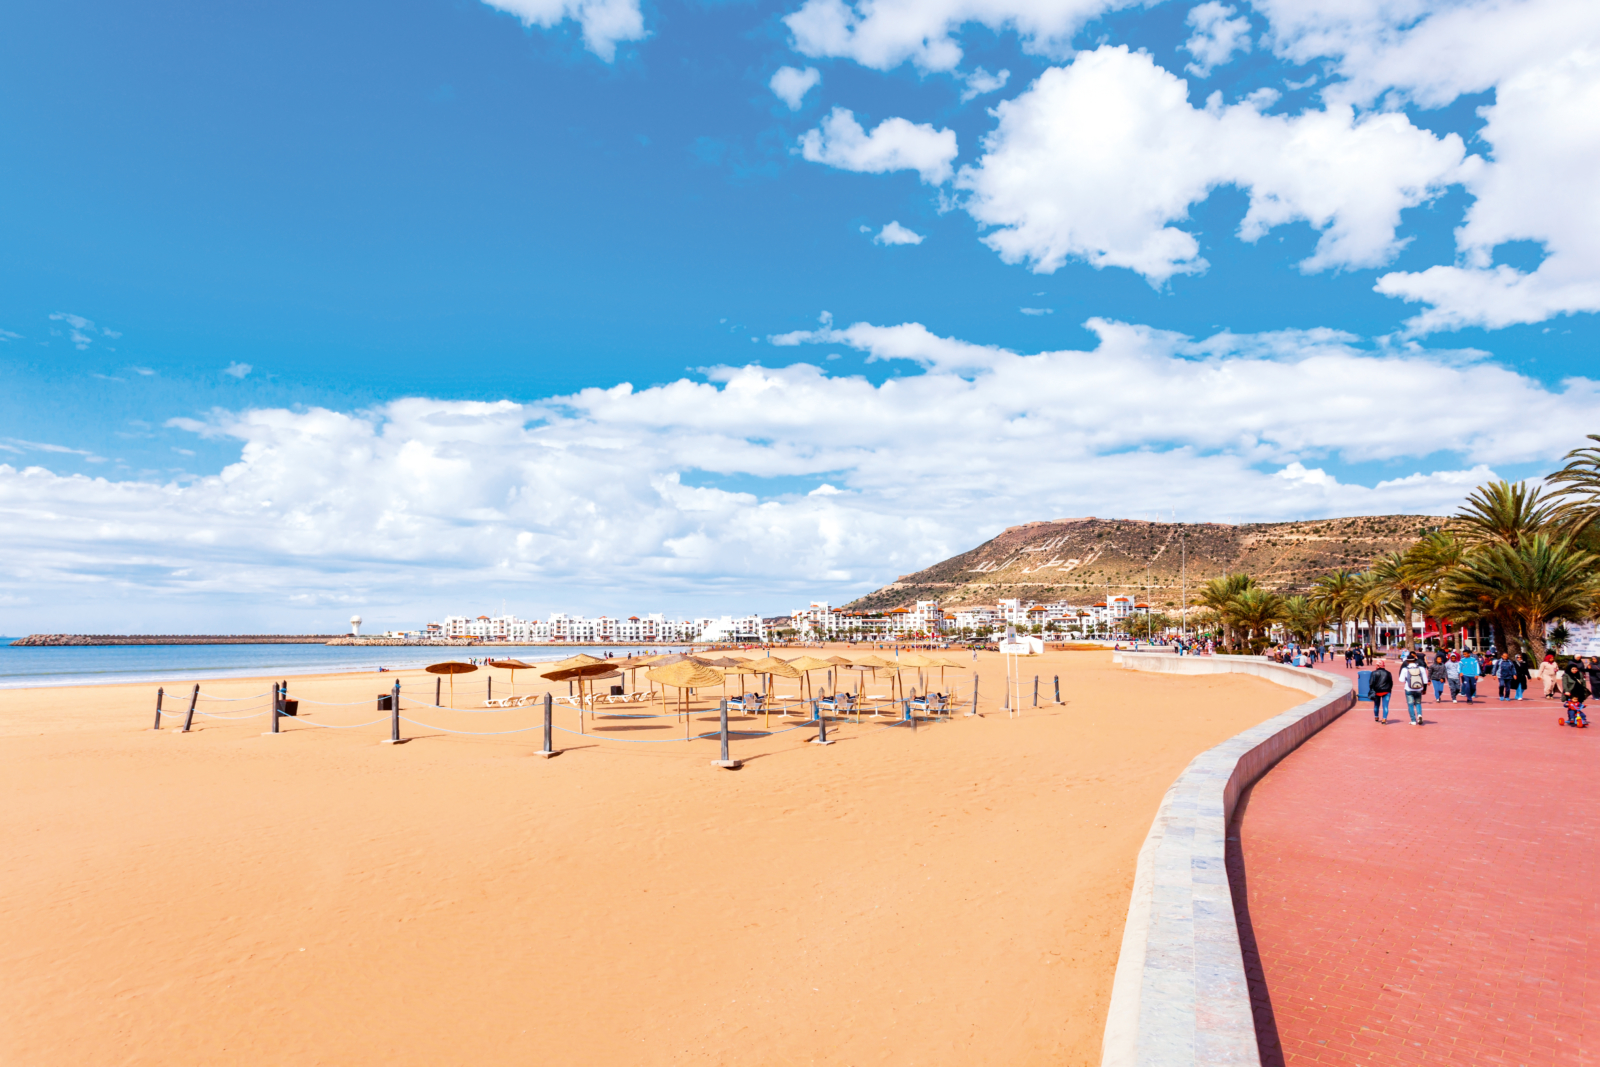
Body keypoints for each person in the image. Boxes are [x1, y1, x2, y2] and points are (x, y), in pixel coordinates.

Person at [1398, 654, 1428, 725]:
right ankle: (1419, 715)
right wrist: (1424, 689)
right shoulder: (1421, 668)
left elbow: (1401, 680)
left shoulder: (1405, 669)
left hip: (1409, 688)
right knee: (1418, 703)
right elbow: (1425, 680)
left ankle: (1413, 720)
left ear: (1407, 661)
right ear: (1415, 660)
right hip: (1418, 688)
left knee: (1410, 704)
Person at [1560, 662, 1589, 727]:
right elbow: (1564, 684)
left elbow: (1583, 682)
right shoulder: (1566, 675)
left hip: (1579, 692)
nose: (1575, 670)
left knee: (1578, 705)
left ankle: (1580, 718)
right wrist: (1567, 691)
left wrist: (1584, 690)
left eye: (1576, 669)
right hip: (1571, 692)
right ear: (1570, 669)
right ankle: (1571, 718)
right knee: (1571, 707)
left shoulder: (1580, 674)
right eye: (1573, 669)